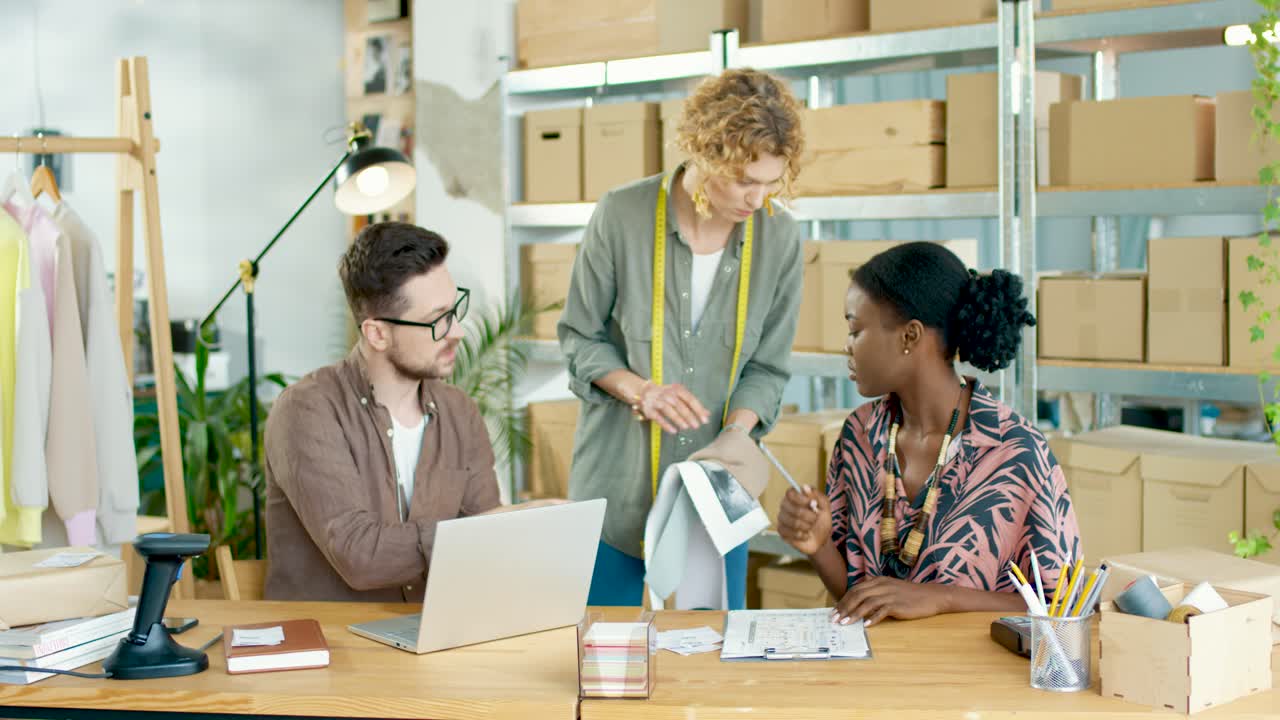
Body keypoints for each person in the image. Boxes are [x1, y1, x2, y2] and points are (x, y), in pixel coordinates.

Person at [558, 68, 807, 608]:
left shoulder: (780, 236)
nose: (758, 197)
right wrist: (641, 391)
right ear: (704, 152)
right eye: (744, 178)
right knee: (602, 654)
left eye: (772, 181)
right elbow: (579, 337)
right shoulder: (621, 215)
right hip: (615, 488)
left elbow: (767, 367)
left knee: (714, 662)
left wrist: (734, 436)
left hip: (718, 494)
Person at [778, 242, 1081, 626]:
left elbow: (1064, 608)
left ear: (910, 336)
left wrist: (943, 598)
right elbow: (858, 598)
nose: (847, 346)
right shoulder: (859, 435)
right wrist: (818, 546)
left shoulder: (1016, 451)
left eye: (855, 329)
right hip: (875, 676)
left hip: (970, 679)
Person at [264, 222, 505, 602]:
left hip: (431, 639)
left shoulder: (460, 412)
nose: (457, 331)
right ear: (376, 333)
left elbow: (490, 546)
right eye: (437, 320)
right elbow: (359, 555)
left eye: (454, 309)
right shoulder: (306, 411)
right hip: (332, 649)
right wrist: (488, 530)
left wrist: (518, 531)